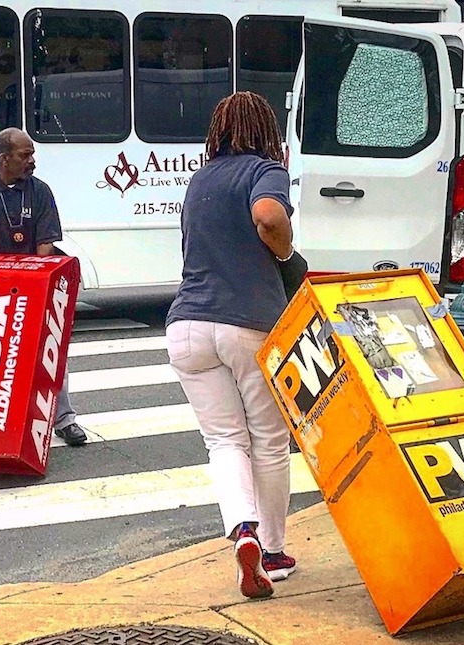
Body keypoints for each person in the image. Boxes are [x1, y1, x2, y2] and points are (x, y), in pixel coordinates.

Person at [166, 92, 298, 599]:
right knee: (268, 439)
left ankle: (241, 529)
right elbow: (268, 217)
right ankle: (271, 551)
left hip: (187, 327)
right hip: (248, 325)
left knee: (224, 442)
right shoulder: (265, 171)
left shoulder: (200, 179)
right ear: (264, 130)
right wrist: (283, 249)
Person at [0, 127, 89, 446]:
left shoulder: (40, 191)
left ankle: (64, 419)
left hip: (32, 285)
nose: (32, 161)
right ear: (4, 158)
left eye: (32, 154)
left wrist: (35, 279)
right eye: (25, 155)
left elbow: (46, 244)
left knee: (49, 350)